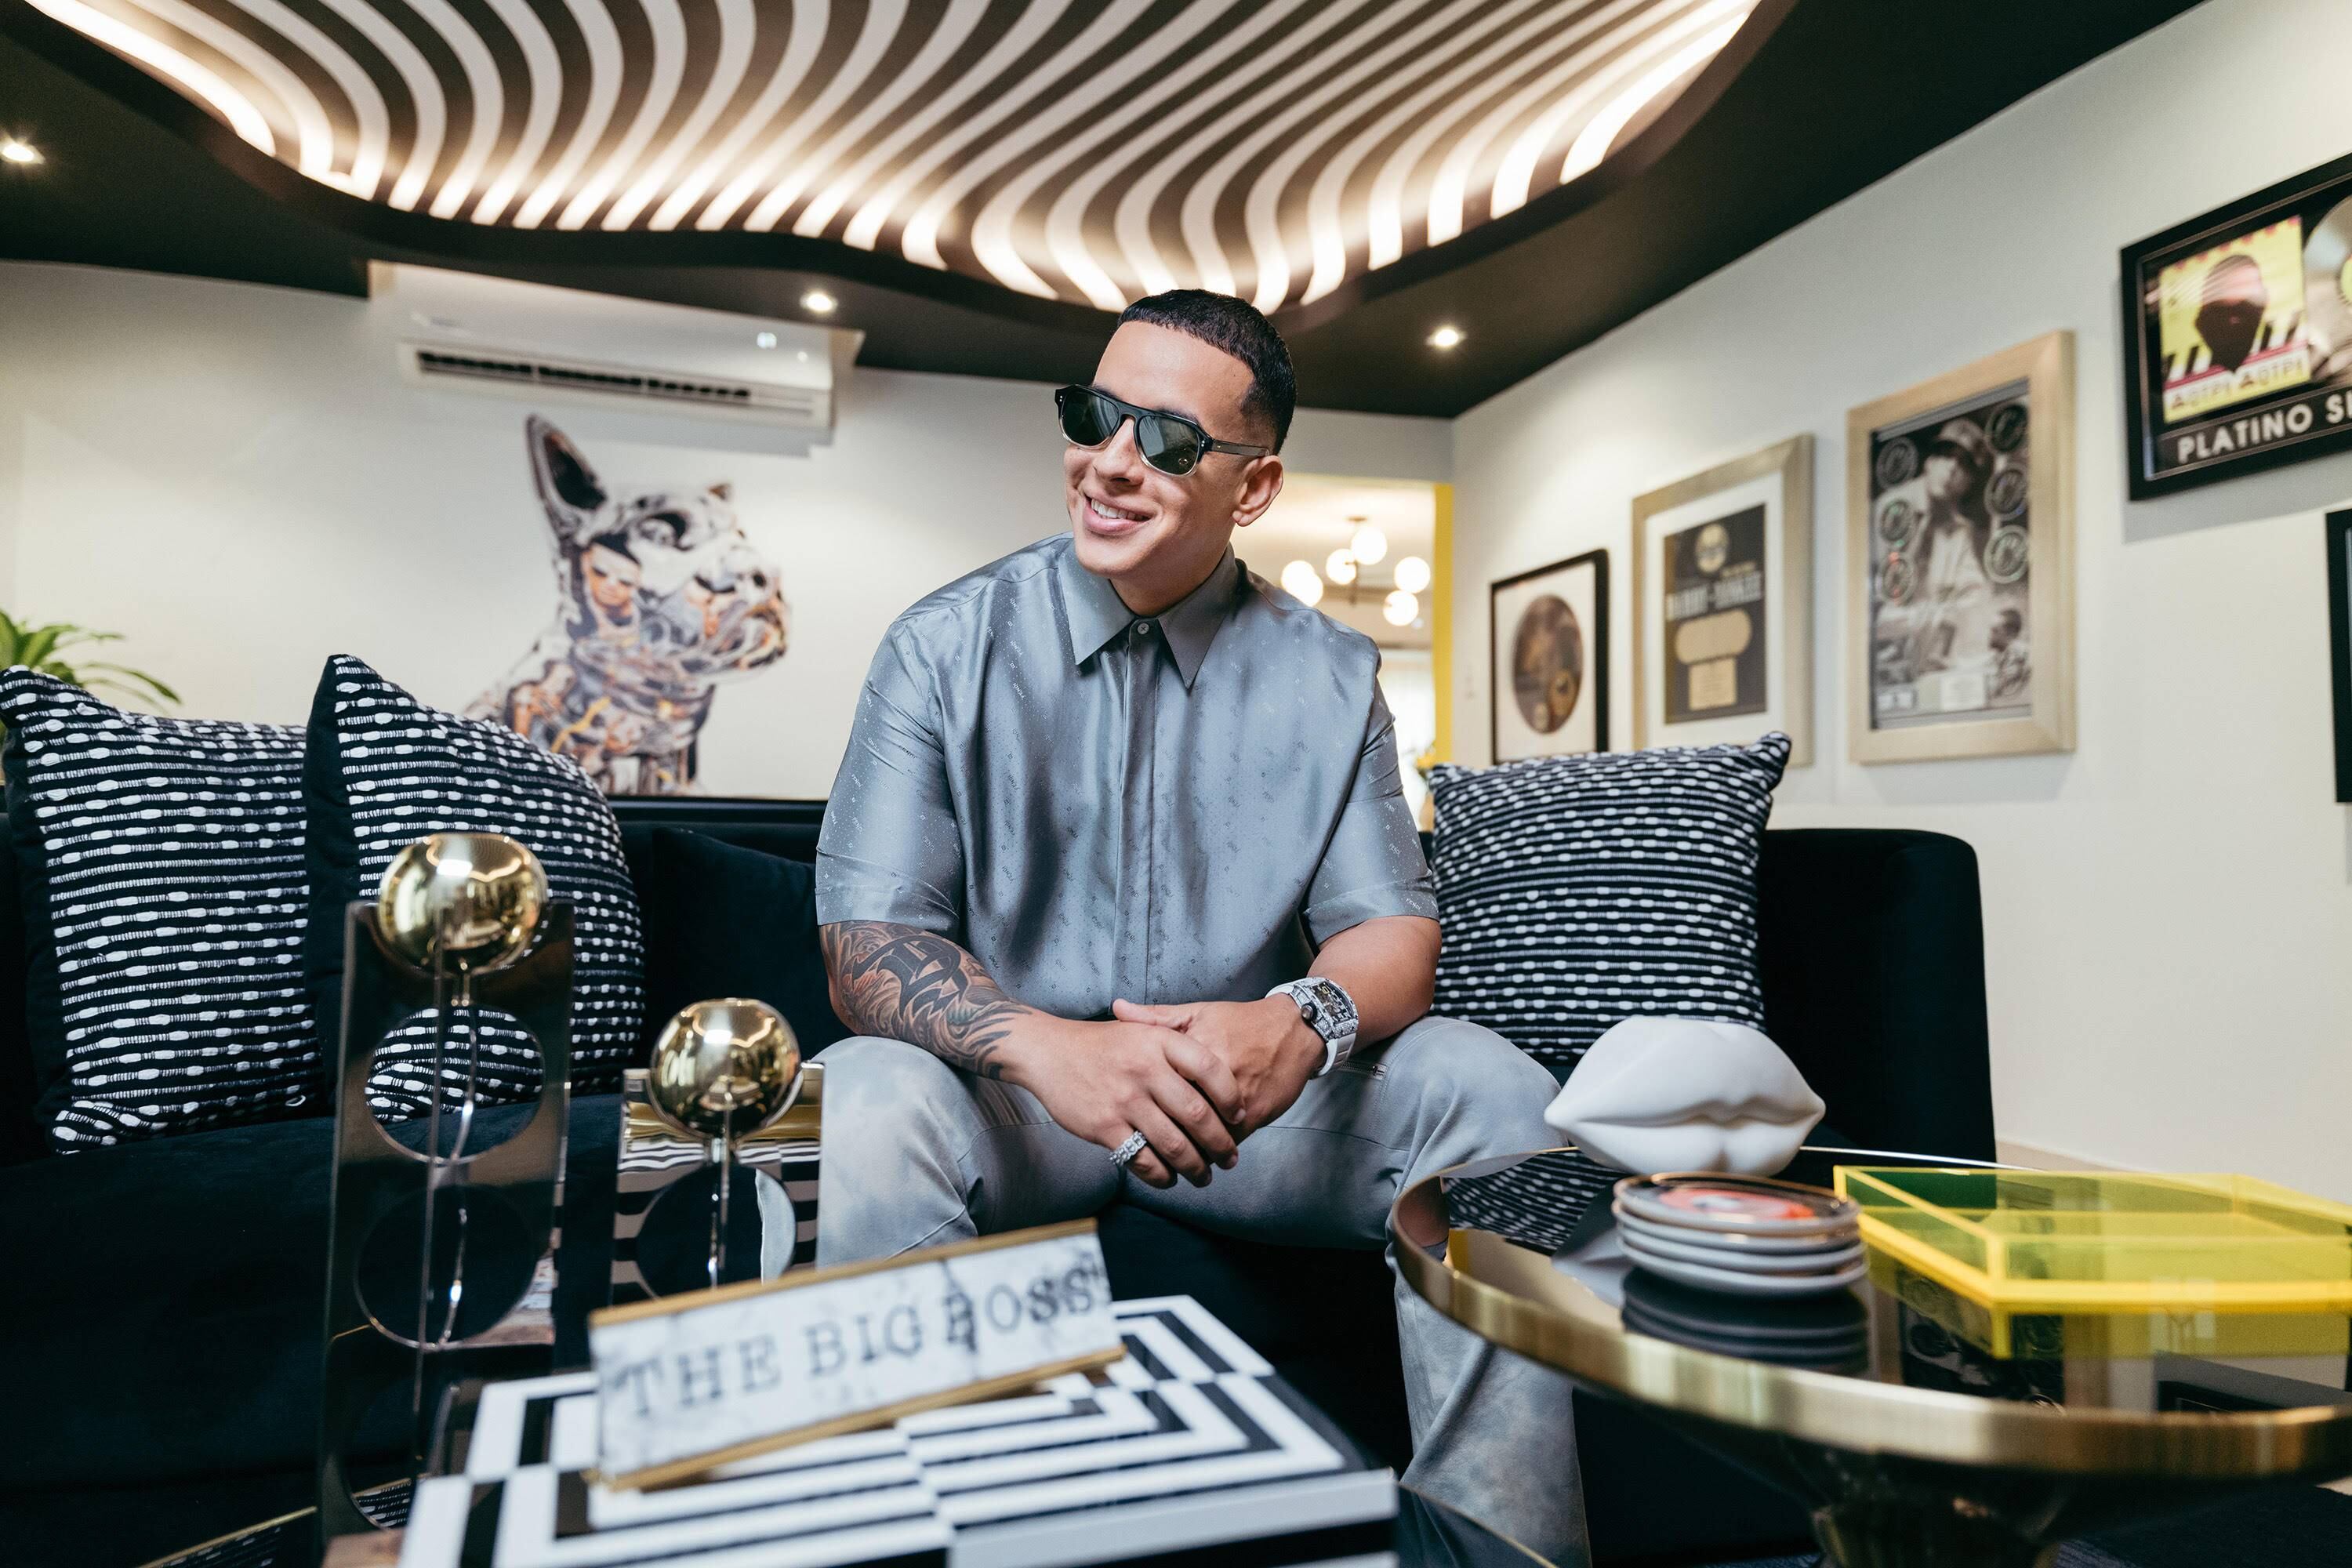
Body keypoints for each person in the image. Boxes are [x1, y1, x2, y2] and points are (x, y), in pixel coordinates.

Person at [811, 289, 1586, 1562]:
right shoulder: (940, 647)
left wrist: (1303, 1022)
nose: (1110, 463)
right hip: (1021, 1109)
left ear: (1255, 485)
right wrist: (1051, 1049)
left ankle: (1492, 1548)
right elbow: (868, 943)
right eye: (1094, 417)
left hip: (1245, 1122)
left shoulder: (1333, 676)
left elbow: (1394, 930)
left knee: (1493, 1090)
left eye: (1166, 439)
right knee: (865, 1095)